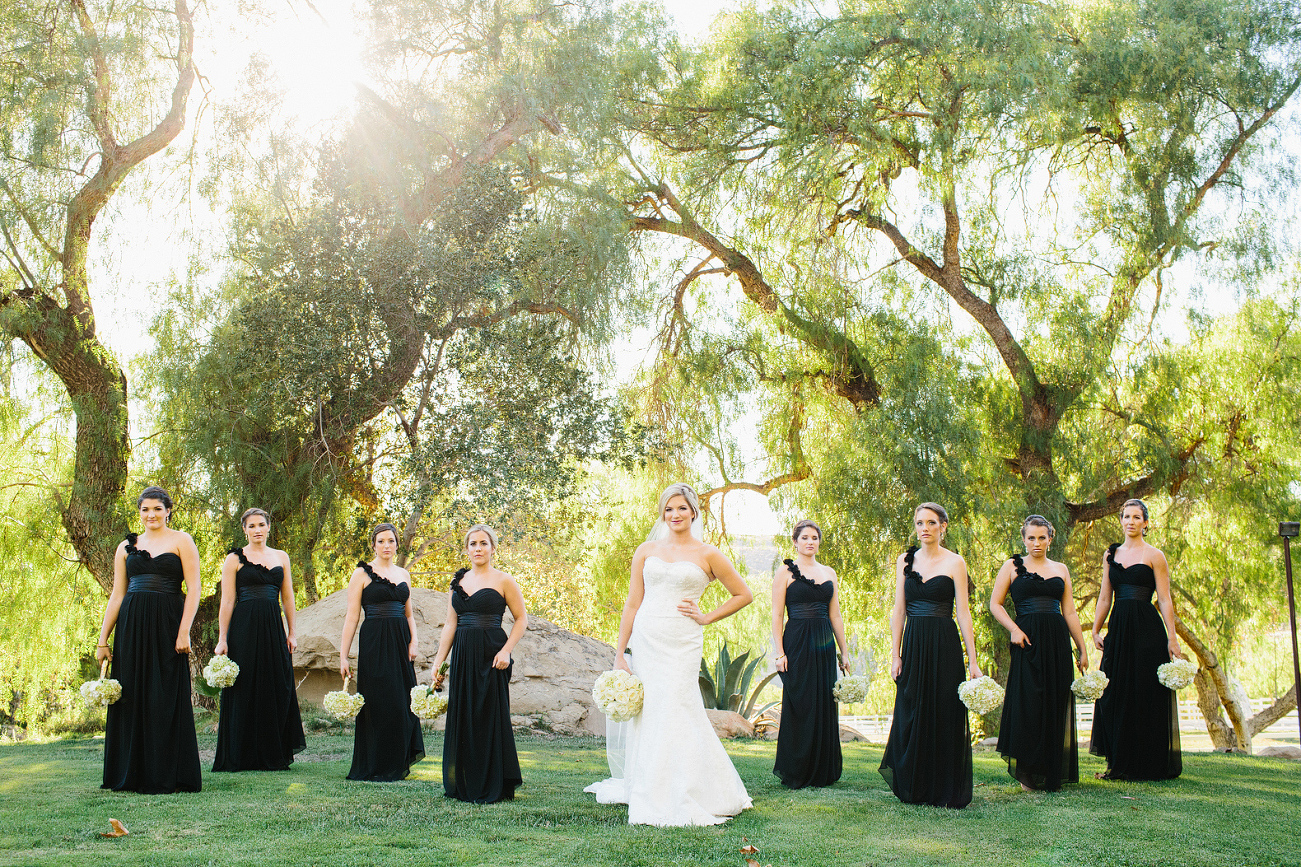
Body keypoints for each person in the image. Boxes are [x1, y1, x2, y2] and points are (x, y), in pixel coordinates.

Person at [586, 483, 754, 825]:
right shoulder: (646, 550)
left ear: (694, 511)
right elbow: (633, 602)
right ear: (662, 514)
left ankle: (691, 789)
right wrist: (621, 652)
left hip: (682, 640)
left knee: (679, 708)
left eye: (681, 508)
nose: (674, 515)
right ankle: (649, 786)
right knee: (651, 713)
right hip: (647, 638)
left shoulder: (708, 554)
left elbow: (743, 594)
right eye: (668, 509)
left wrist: (706, 617)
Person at [97, 486, 203, 793]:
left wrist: (184, 630)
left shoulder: (182, 540)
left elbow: (194, 589)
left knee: (165, 692)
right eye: (145, 509)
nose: (151, 515)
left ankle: (169, 773)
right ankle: (129, 774)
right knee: (130, 694)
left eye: (157, 508)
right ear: (139, 512)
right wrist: (103, 640)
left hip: (169, 622)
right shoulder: (126, 546)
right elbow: (117, 594)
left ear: (168, 510)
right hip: (131, 624)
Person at [879, 502, 981, 808]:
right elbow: (898, 610)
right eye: (919, 522)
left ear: (943, 527)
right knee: (912, 707)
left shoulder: (955, 563)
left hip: (944, 642)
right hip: (913, 642)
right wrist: (895, 654)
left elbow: (963, 613)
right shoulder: (904, 561)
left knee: (945, 709)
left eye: (931, 522)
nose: (924, 528)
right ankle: (915, 784)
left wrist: (972, 660)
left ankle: (944, 788)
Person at [989, 515, 1089, 791]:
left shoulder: (1061, 569)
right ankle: (1028, 773)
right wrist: (1013, 629)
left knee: (1055, 700)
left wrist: (1081, 648)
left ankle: (1051, 772)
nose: (1036, 543)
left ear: (1050, 538)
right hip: (1026, 640)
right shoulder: (1011, 566)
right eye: (1031, 538)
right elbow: (995, 604)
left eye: (1041, 537)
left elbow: (1069, 611)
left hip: (1057, 640)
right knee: (1029, 702)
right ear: (1023, 539)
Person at [428, 525, 526, 803]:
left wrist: (506, 651)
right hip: (463, 655)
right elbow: (450, 623)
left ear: (493, 548)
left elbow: (521, 620)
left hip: (493, 655)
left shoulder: (504, 580)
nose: (478, 548)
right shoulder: (457, 583)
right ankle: (465, 782)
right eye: (473, 544)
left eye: (484, 543)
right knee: (465, 716)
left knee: (489, 716)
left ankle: (494, 782)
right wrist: (439, 662)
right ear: (466, 549)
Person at [1089, 498, 1183, 780]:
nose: (1130, 521)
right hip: (1118, 628)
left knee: (1145, 691)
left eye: (1136, 517)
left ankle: (1149, 764)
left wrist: (1172, 638)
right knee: (1114, 691)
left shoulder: (1155, 555)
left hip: (1147, 629)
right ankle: (1118, 762)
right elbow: (1105, 596)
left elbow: (1164, 599)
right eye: (1126, 516)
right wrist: (1095, 629)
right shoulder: (1111, 555)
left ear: (1145, 522)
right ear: (1121, 520)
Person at [212, 508, 306, 772]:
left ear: (268, 527)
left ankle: (271, 752)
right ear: (244, 529)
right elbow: (227, 600)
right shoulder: (234, 559)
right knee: (243, 686)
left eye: (261, 524)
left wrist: (292, 632)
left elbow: (288, 598)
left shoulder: (281, 557)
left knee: (275, 683)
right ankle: (240, 754)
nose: (257, 530)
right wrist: (222, 639)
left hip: (273, 628)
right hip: (243, 627)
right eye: (251, 526)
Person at [339, 522, 425, 781]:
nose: (386, 546)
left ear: (397, 544)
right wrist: (343, 655)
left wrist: (414, 642)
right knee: (376, 701)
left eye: (391, 541)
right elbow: (352, 617)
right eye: (381, 541)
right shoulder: (361, 574)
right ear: (374, 545)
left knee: (401, 701)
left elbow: (409, 615)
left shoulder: (404, 574)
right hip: (374, 641)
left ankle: (397, 762)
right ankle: (374, 764)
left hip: (400, 642)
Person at [771, 519, 850, 788]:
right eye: (804, 538)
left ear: (819, 542)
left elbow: (835, 615)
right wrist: (780, 652)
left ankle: (823, 770)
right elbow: (777, 614)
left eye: (814, 538)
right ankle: (797, 769)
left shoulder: (829, 572)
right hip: (797, 640)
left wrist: (844, 653)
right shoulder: (784, 572)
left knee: (824, 702)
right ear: (795, 541)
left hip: (824, 642)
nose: (810, 542)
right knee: (801, 702)